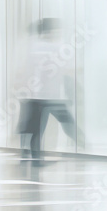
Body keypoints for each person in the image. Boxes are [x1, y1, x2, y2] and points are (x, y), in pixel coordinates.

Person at [18, 18, 80, 164]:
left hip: (35, 95)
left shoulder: (34, 46)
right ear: (49, 32)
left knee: (35, 128)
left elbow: (27, 70)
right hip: (48, 96)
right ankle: (82, 144)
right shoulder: (55, 47)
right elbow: (68, 69)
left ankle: (33, 157)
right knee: (63, 123)